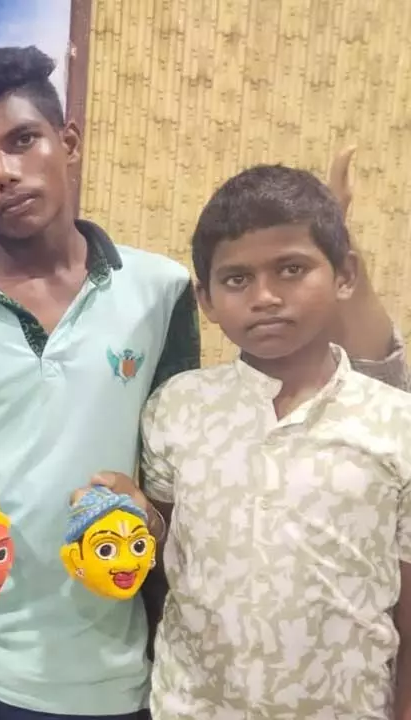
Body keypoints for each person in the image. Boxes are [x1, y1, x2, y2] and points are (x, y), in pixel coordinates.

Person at [0, 46, 408, 720]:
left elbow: (181, 463)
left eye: (23, 140)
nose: (6, 173)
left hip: (124, 671)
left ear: (67, 141)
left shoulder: (159, 290)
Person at [138, 164, 411, 718]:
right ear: (207, 300)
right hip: (192, 705)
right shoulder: (177, 407)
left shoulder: (395, 422)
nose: (264, 297)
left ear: (344, 275)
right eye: (236, 279)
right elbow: (163, 553)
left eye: (291, 269)